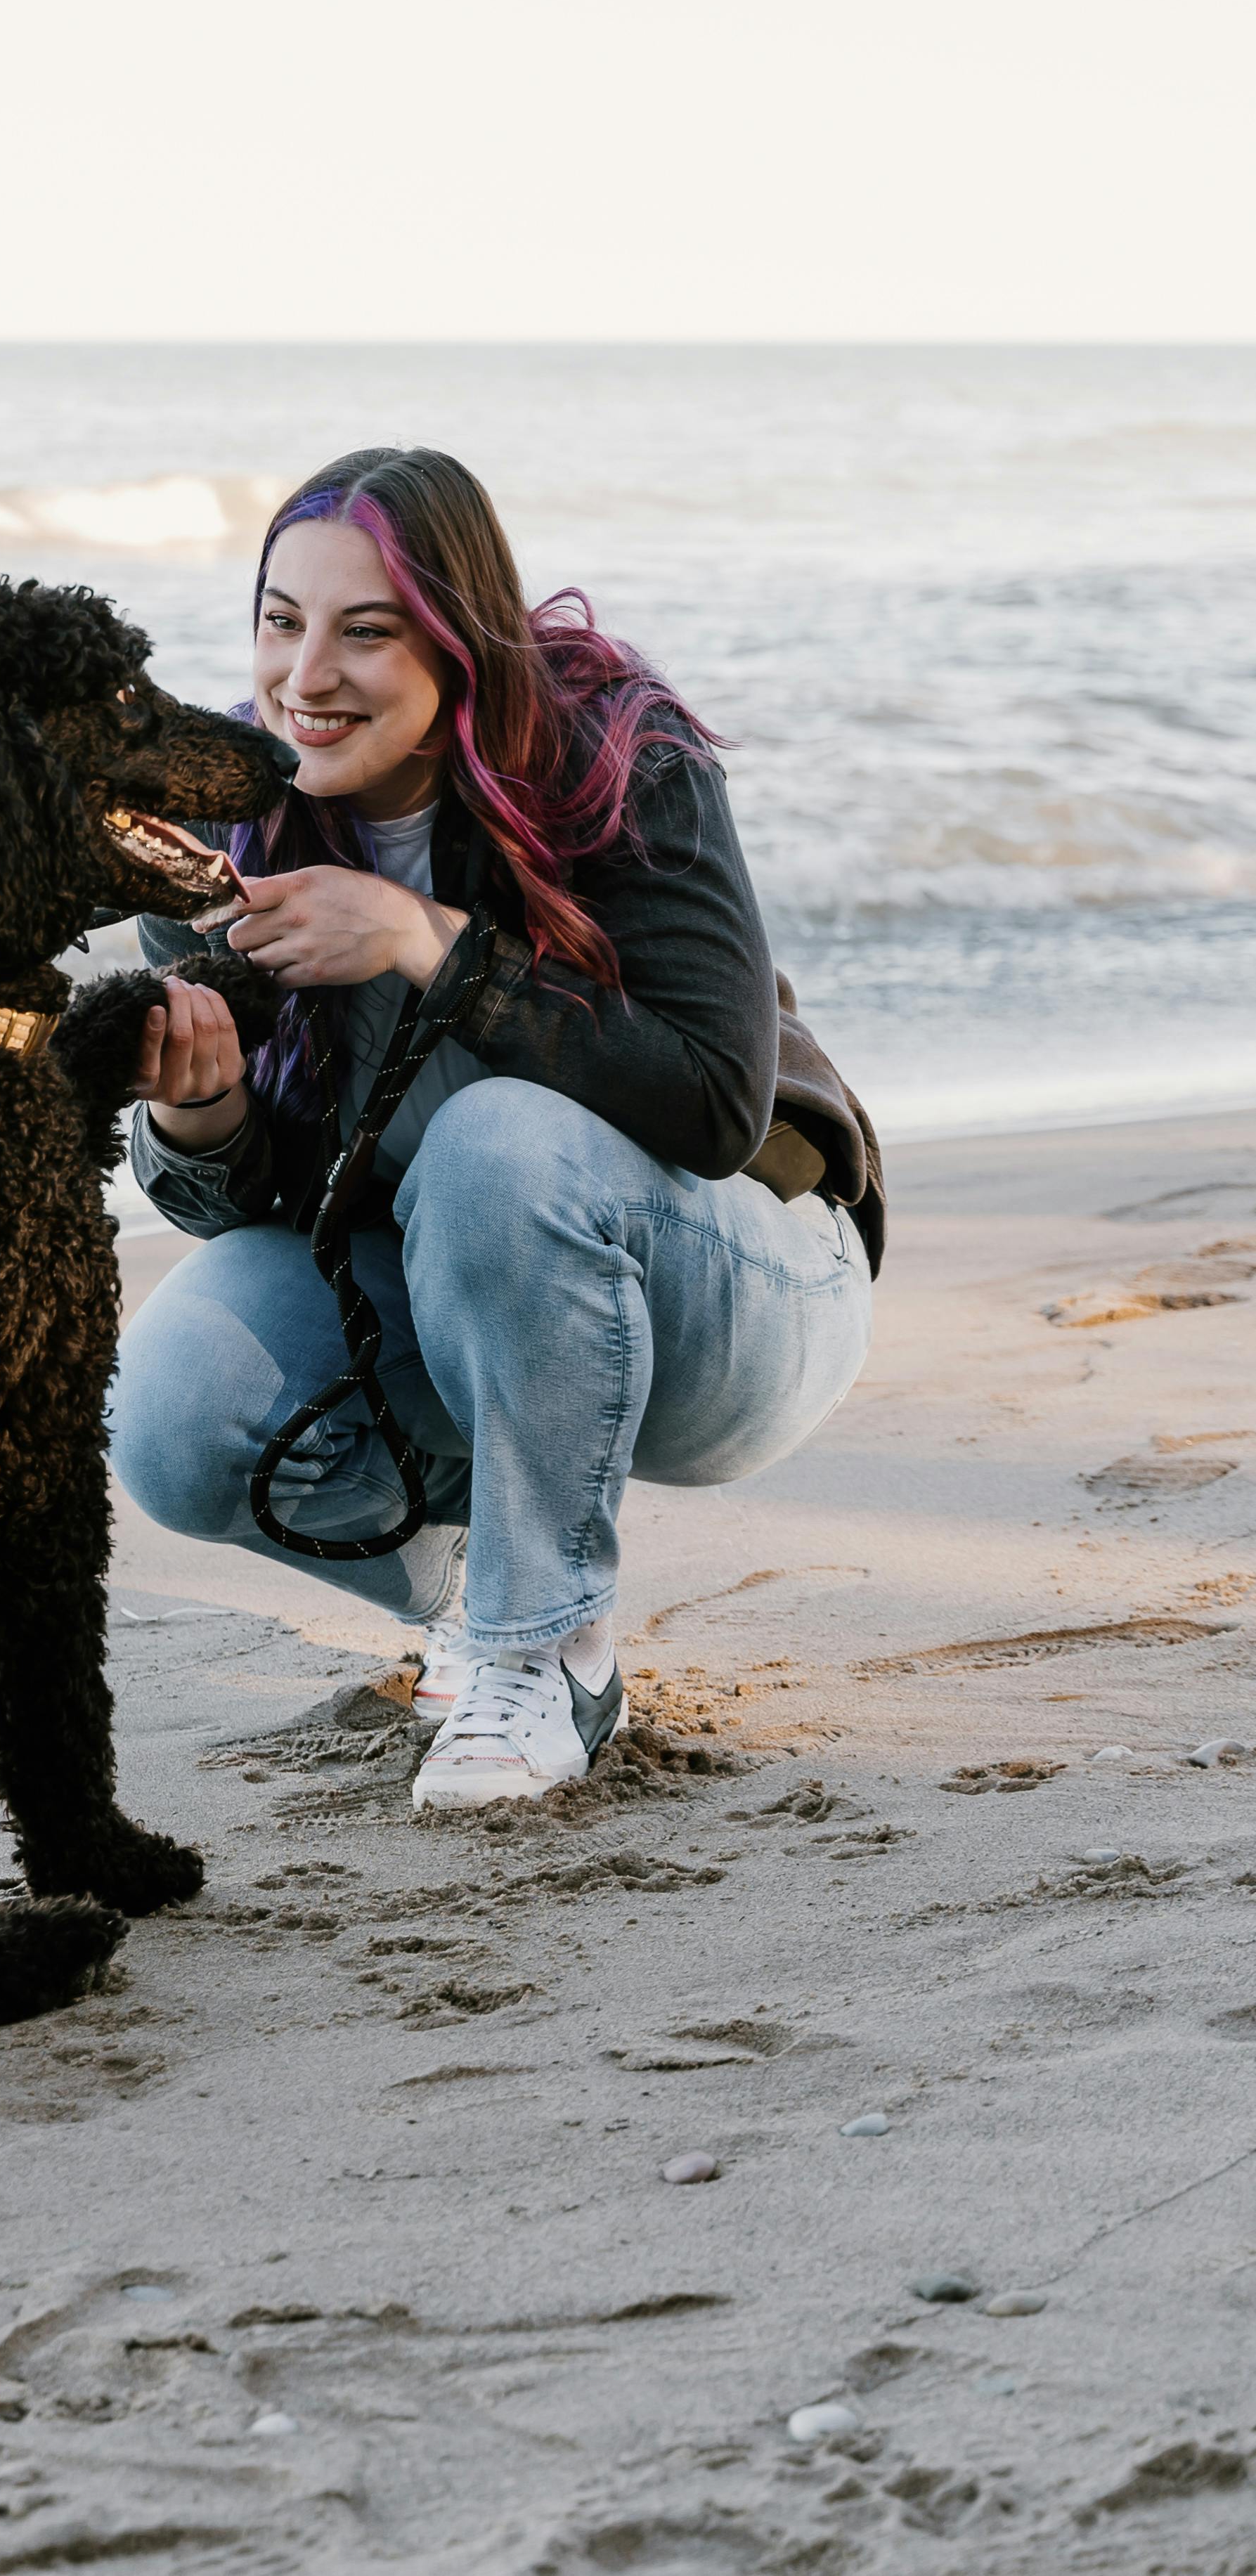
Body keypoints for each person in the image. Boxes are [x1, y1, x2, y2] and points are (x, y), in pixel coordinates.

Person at [108, 445, 880, 1808]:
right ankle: (480, 1598)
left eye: (366, 630)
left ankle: (548, 1652)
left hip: (741, 1293)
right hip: (467, 1311)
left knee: (495, 1142)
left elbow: (715, 1106)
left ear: (458, 641)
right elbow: (260, 1216)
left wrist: (426, 943)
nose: (304, 676)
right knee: (167, 1412)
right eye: (280, 622)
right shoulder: (225, 820)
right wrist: (202, 1111)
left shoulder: (616, 759)